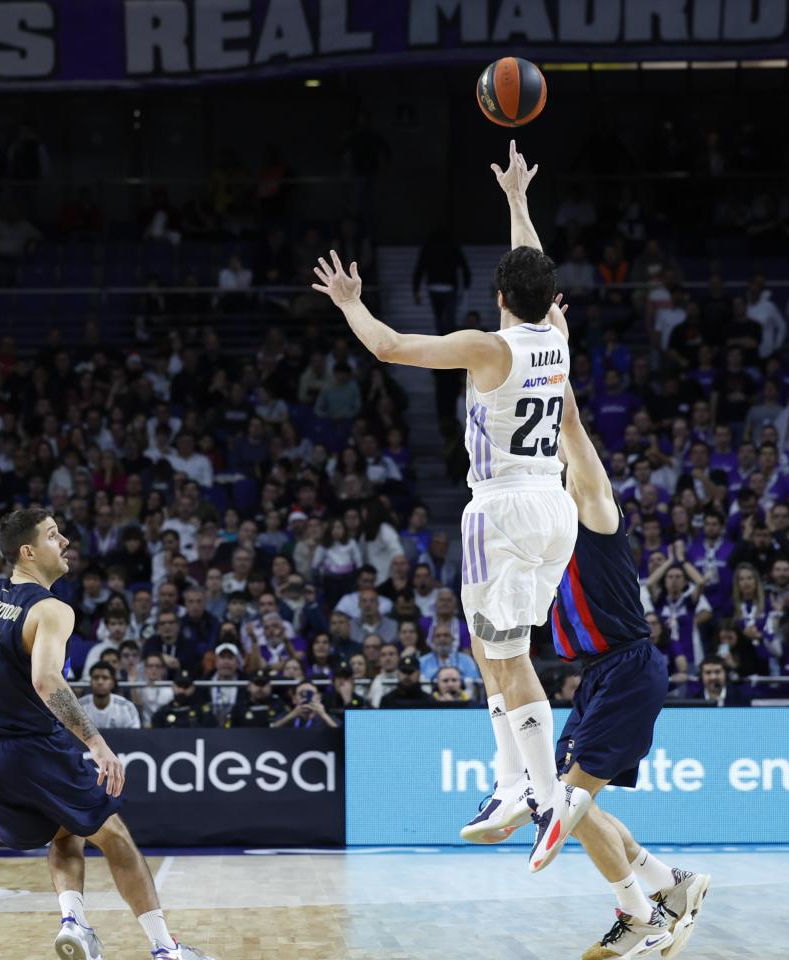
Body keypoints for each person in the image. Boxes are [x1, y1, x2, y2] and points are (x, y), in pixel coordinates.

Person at [316, 141, 581, 871]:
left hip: (500, 508)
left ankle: (548, 796)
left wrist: (350, 304)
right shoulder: (557, 336)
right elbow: (531, 268)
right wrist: (518, 201)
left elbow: (392, 347)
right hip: (551, 504)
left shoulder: (487, 346)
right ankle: (508, 782)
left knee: (507, 654)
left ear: (498, 296)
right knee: (488, 648)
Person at [0, 508, 215, 960]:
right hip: (28, 749)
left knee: (65, 834)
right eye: (53, 535)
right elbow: (46, 681)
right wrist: (97, 744)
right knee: (116, 835)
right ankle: (167, 949)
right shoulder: (50, 609)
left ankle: (75, 924)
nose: (64, 542)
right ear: (28, 552)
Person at [535, 384, 711, 958]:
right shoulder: (552, 546)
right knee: (574, 804)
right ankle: (669, 884)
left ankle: (639, 916)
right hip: (599, 677)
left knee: (568, 801)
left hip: (629, 667)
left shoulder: (596, 516)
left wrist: (550, 358)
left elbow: (573, 434)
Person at [78, 662, 141, 730]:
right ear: (90, 682)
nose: (100, 682)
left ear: (113, 683)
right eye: (96, 678)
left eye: (105, 678)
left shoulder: (127, 707)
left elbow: (135, 736)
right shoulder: (78, 707)